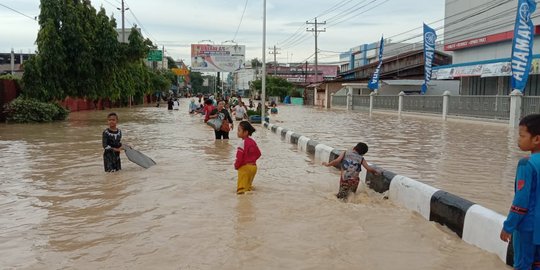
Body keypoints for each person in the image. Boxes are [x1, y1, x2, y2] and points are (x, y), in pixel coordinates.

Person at [500, 114, 540, 269]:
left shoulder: (526, 165)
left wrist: (508, 226)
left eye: (522, 136)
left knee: (523, 264)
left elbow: (521, 201)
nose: (518, 139)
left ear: (536, 139)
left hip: (527, 228)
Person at [234, 121, 261, 194]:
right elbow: (259, 154)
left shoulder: (242, 143)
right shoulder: (253, 142)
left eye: (239, 130)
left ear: (245, 132)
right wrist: (252, 160)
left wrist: (236, 166)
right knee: (248, 188)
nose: (237, 132)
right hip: (253, 168)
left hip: (244, 168)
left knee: (241, 191)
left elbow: (239, 158)